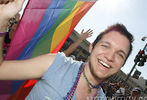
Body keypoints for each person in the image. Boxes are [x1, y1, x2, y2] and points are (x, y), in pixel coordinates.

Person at [0, 0, 134, 100]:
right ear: (92, 47)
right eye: (105, 46)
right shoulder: (56, 64)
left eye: (120, 54)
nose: (110, 56)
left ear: (121, 65)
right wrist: (2, 19)